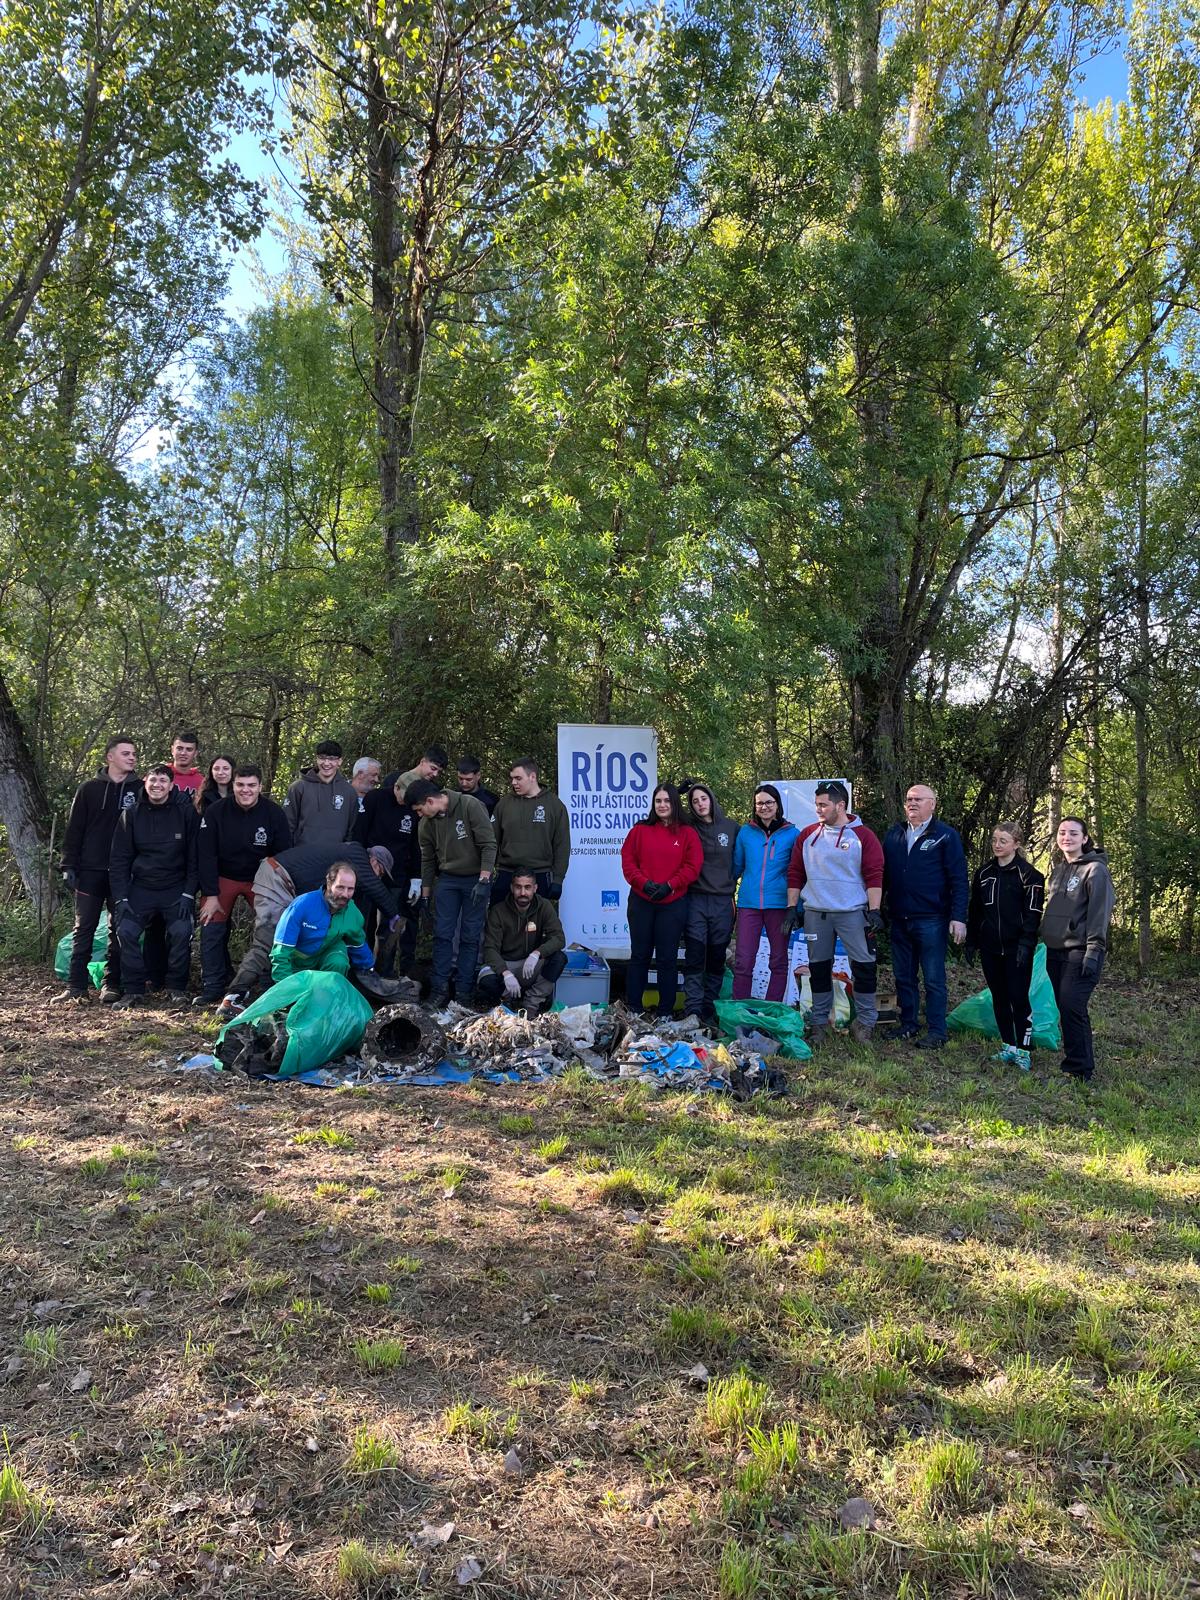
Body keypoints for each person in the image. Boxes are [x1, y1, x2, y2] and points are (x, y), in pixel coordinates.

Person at [220, 842, 400, 1014]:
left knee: (292, 939)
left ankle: (278, 994)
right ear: (374, 861)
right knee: (268, 941)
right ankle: (233, 997)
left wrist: (369, 970)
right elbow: (373, 885)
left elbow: (356, 942)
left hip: (286, 881)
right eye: (380, 873)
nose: (377, 878)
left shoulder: (344, 872)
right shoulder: (357, 854)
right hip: (277, 875)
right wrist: (393, 913)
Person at [784, 780, 884, 1046]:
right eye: (816, 804)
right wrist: (791, 908)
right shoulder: (807, 835)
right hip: (817, 913)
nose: (818, 809)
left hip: (852, 912)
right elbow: (795, 873)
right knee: (818, 968)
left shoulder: (863, 836)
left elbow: (874, 876)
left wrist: (874, 910)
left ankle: (864, 1023)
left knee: (864, 967)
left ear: (840, 805)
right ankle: (819, 1024)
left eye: (823, 805)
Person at [882, 782, 969, 1049]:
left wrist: (958, 917)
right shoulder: (895, 834)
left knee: (933, 977)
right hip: (900, 918)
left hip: (932, 919)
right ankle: (908, 1024)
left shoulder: (944, 835)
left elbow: (959, 879)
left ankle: (937, 1031)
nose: (912, 803)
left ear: (933, 804)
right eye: (909, 799)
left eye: (919, 799)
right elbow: (882, 876)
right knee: (903, 976)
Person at [195, 765, 292, 1005]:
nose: (245, 790)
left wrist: (277, 891)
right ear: (233, 786)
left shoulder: (273, 813)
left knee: (273, 926)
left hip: (261, 877)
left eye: (251, 785)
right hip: (223, 876)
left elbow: (283, 855)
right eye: (240, 785)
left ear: (260, 786)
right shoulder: (216, 811)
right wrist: (211, 894)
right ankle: (213, 984)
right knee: (211, 924)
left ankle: (268, 982)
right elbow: (205, 855)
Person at [54, 735, 141, 1003]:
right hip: (90, 870)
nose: (132, 757)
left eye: (134, 754)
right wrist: (68, 864)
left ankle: (111, 983)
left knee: (119, 929)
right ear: (110, 757)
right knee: (85, 928)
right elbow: (74, 830)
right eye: (126, 753)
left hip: (123, 872)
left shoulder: (139, 788)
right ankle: (75, 986)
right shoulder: (89, 789)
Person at [108, 765, 199, 1006]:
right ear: (145, 784)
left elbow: (195, 858)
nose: (157, 785)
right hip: (141, 888)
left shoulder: (185, 813)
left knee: (181, 932)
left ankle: (176, 987)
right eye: (152, 780)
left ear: (171, 785)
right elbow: (119, 860)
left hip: (176, 888)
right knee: (126, 931)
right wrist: (121, 898)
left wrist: (189, 893)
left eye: (162, 780)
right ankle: (134, 990)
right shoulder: (131, 814)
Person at [408, 777, 497, 1007]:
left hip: (475, 879)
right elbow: (427, 860)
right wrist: (426, 896)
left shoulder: (469, 806)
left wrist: (484, 879)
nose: (419, 815)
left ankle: (464, 993)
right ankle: (439, 990)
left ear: (430, 801)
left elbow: (489, 844)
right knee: (442, 935)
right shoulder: (426, 824)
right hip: (447, 880)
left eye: (420, 810)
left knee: (470, 936)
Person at [965, 821, 1045, 1071]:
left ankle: (1024, 1049)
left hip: (1016, 949)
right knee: (999, 997)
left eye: (1003, 841)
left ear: (1017, 844)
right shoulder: (984, 872)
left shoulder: (1030, 876)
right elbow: (975, 911)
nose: (997, 845)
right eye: (994, 840)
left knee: (1018, 998)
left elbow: (1032, 916)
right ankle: (1008, 1045)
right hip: (991, 947)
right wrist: (971, 942)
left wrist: (1026, 945)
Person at [1040, 817, 1114, 1081]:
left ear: (1085, 839)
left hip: (1081, 951)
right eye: (1062, 833)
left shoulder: (1095, 871)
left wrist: (1094, 949)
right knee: (1065, 1007)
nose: (1066, 837)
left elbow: (1099, 913)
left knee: (1073, 1006)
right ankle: (1075, 1063)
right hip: (1055, 950)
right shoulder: (1059, 870)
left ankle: (1080, 1069)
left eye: (1073, 833)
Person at [620, 784, 702, 1016]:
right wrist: (643, 883)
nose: (663, 805)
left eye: (667, 800)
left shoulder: (687, 833)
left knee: (667, 958)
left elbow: (692, 866)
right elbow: (628, 861)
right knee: (639, 955)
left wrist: (670, 886)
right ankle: (633, 1008)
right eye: (658, 801)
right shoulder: (640, 831)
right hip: (641, 901)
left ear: (675, 803)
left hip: (673, 903)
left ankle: (665, 1012)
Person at [731, 785, 799, 1001]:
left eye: (769, 802)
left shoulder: (792, 834)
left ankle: (772, 1010)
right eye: (759, 803)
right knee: (743, 960)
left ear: (777, 804)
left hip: (779, 905)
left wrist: (796, 907)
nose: (764, 807)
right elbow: (736, 867)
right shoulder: (746, 832)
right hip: (749, 904)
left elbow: (797, 873)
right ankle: (740, 1011)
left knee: (778, 960)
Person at [354, 771, 421, 975]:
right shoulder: (376, 798)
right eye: (404, 797)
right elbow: (358, 833)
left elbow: (414, 845)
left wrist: (416, 878)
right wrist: (360, 865)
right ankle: (360, 970)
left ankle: (385, 971)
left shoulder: (411, 809)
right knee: (362, 922)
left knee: (390, 925)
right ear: (396, 788)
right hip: (369, 871)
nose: (407, 803)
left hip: (396, 876)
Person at [681, 783, 737, 1025]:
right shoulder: (688, 828)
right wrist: (678, 790)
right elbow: (665, 809)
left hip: (723, 900)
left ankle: (710, 1009)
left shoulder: (732, 828)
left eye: (704, 798)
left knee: (716, 956)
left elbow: (743, 860)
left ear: (712, 799)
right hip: (695, 899)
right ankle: (692, 1009)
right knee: (694, 954)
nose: (700, 803)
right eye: (695, 800)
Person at [269, 861, 377, 982]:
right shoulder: (302, 905)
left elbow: (358, 945)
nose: (345, 894)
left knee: (339, 961)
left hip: (328, 956)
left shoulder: (353, 912)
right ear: (329, 883)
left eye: (350, 889)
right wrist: (284, 986)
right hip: (298, 964)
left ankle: (329, 995)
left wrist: (369, 970)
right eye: (340, 887)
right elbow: (281, 951)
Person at [477, 869, 567, 1014]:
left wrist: (537, 953)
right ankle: (506, 1003)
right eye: (518, 887)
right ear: (512, 888)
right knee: (486, 980)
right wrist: (505, 973)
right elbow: (490, 949)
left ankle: (531, 1004)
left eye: (527, 887)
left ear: (535, 888)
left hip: (531, 964)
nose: (523, 892)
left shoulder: (544, 906)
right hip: (507, 964)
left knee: (559, 958)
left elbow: (559, 938)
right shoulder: (498, 911)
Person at [490, 757, 570, 903]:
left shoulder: (555, 805)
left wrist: (558, 879)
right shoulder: (504, 804)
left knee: (537, 924)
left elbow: (562, 845)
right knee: (499, 921)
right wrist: (486, 873)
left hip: (540, 874)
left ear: (532, 777)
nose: (514, 782)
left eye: (518, 778)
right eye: (512, 778)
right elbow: (491, 842)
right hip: (507, 873)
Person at [282, 740, 359, 846]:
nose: (326, 763)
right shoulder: (298, 787)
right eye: (322, 758)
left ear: (339, 761)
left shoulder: (349, 791)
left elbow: (351, 830)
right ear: (316, 759)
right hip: (302, 854)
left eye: (331, 759)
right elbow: (287, 825)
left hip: (336, 856)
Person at [169, 730, 204, 795]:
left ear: (195, 753)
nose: (183, 753)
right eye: (179, 748)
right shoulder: (158, 776)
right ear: (172, 750)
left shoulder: (201, 782)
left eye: (189, 749)